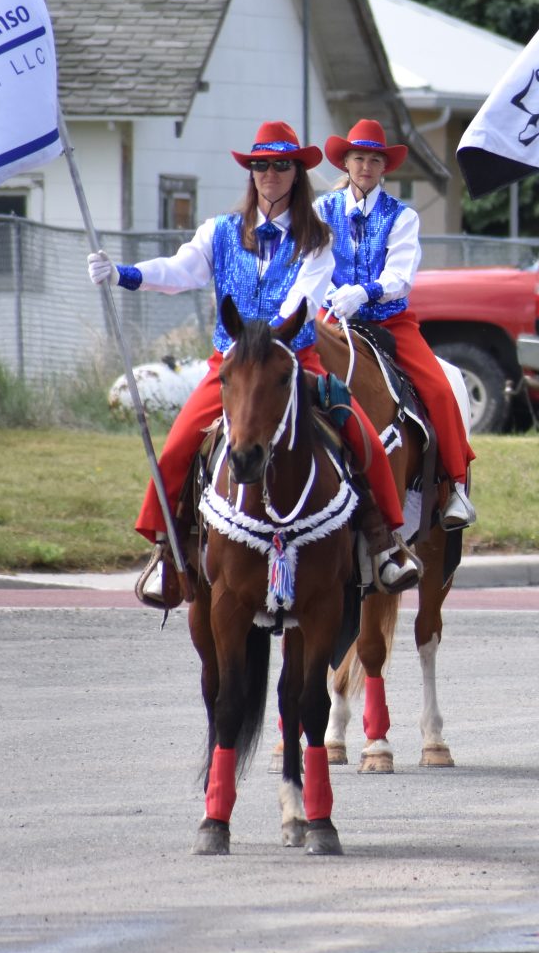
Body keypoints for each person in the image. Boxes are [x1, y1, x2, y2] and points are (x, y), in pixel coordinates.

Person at [88, 121, 421, 607]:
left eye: (282, 165)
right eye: (261, 165)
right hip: (234, 363)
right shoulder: (219, 231)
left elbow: (304, 301)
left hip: (295, 358)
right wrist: (124, 274)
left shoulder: (317, 237)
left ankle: (385, 541)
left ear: (297, 173)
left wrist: (267, 340)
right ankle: (168, 550)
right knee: (179, 445)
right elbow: (182, 270)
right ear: (251, 172)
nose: (271, 174)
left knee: (360, 431)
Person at [314, 118, 476, 530]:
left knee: (439, 390)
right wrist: (325, 295)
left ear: (384, 167)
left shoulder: (402, 216)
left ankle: (454, 485)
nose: (365, 166)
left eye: (373, 159)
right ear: (346, 163)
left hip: (388, 319)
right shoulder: (320, 211)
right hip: (330, 318)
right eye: (358, 158)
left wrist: (365, 292)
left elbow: (401, 275)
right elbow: (309, 261)